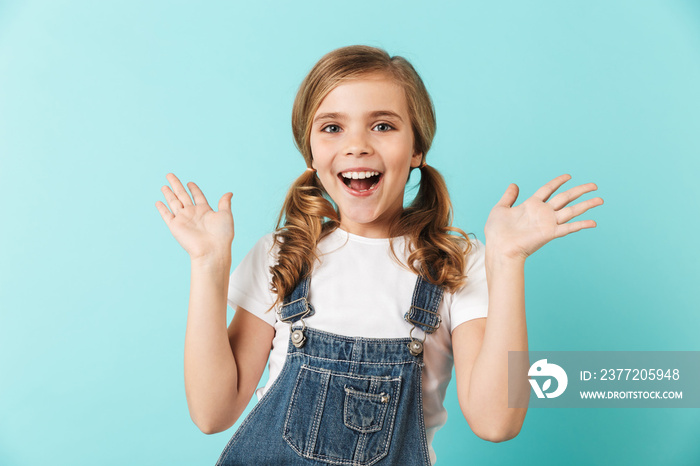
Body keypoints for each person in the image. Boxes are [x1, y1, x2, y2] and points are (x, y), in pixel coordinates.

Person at [155, 45, 603, 465]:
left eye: (383, 125)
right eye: (332, 127)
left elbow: (496, 422)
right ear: (310, 152)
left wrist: (507, 263)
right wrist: (207, 265)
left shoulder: (456, 263)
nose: (357, 145)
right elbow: (212, 413)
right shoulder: (281, 255)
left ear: (417, 149)